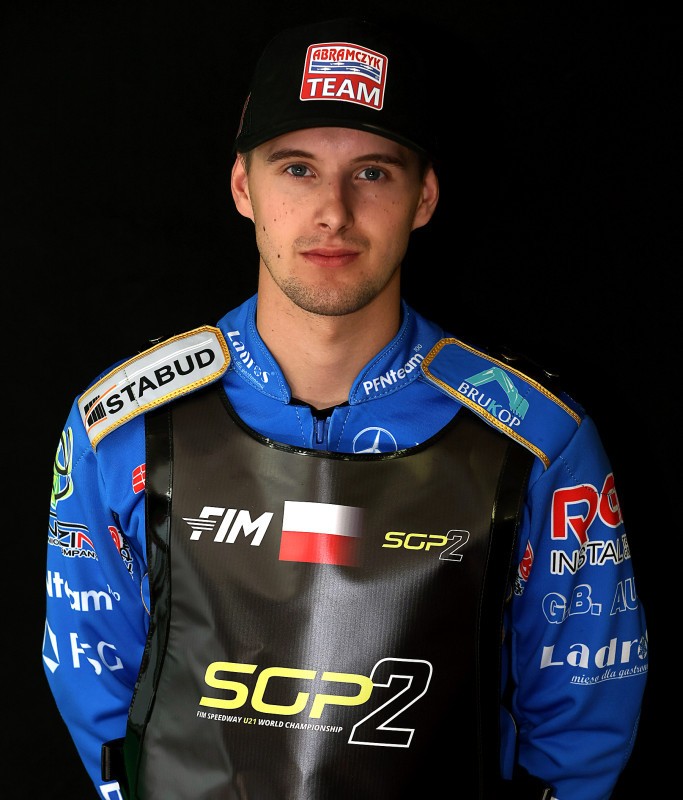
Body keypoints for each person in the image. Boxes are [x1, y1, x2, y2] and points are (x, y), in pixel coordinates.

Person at [43, 17, 648, 800]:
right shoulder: (122, 425)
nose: (333, 210)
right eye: (297, 169)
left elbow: (582, 717)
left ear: (422, 198)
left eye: (372, 172)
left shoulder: (536, 439)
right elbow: (98, 694)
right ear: (243, 187)